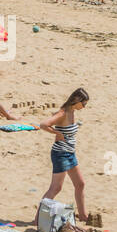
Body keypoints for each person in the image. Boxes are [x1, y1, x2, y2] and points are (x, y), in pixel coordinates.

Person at [38, 88, 89, 222]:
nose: (84, 107)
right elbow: (43, 124)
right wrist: (57, 133)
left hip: (70, 153)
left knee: (80, 184)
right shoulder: (63, 113)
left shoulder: (72, 112)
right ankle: (37, 218)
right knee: (56, 188)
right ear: (77, 100)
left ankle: (83, 216)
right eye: (83, 104)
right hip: (61, 154)